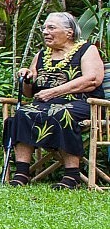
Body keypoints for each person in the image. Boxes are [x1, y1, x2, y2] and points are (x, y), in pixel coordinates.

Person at [6, 12, 105, 189]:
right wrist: (27, 78)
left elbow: (92, 79)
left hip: (82, 103)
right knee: (22, 113)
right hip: (45, 104)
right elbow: (29, 93)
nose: (45, 32)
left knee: (60, 113)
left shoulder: (87, 50)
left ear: (69, 32)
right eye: (44, 28)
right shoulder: (42, 55)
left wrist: (53, 92)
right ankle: (22, 172)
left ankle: (72, 175)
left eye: (51, 28)